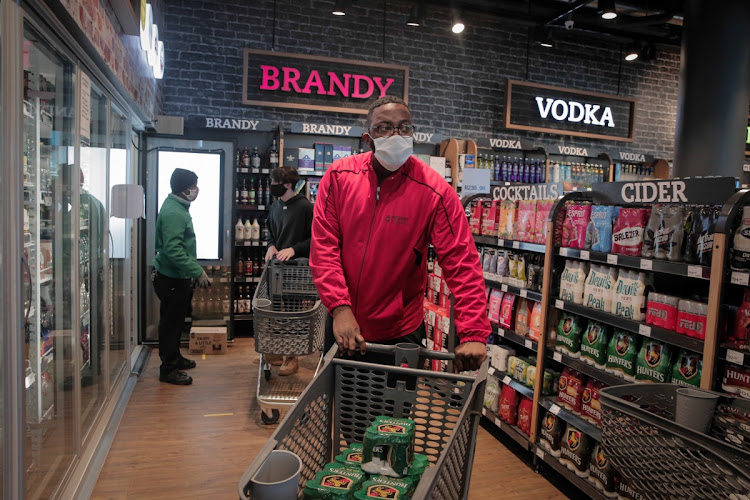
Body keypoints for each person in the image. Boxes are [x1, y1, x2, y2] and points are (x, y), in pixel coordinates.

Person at [310, 96, 490, 372]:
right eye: (384, 127)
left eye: (404, 127)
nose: (396, 134)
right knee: (342, 411)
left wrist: (474, 333)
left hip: (401, 332)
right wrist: (339, 307)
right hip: (343, 325)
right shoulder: (338, 177)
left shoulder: (435, 191)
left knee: (394, 415)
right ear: (368, 139)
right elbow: (324, 248)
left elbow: (462, 262)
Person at [152, 168, 212, 385]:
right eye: (193, 186)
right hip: (171, 279)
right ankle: (167, 370)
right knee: (170, 324)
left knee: (176, 322)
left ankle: (175, 358)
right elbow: (173, 249)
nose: (196, 190)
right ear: (184, 189)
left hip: (175, 276)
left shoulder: (177, 206)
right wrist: (197, 271)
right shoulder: (174, 213)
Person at [264, 166, 314, 376]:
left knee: (293, 312)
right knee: (274, 312)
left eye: (275, 184)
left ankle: (292, 357)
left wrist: (294, 249)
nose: (272, 187)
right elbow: (270, 232)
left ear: (287, 185)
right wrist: (271, 245)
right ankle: (277, 351)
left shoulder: (305, 207)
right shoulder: (275, 206)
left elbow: (315, 240)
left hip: (297, 270)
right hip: (276, 269)